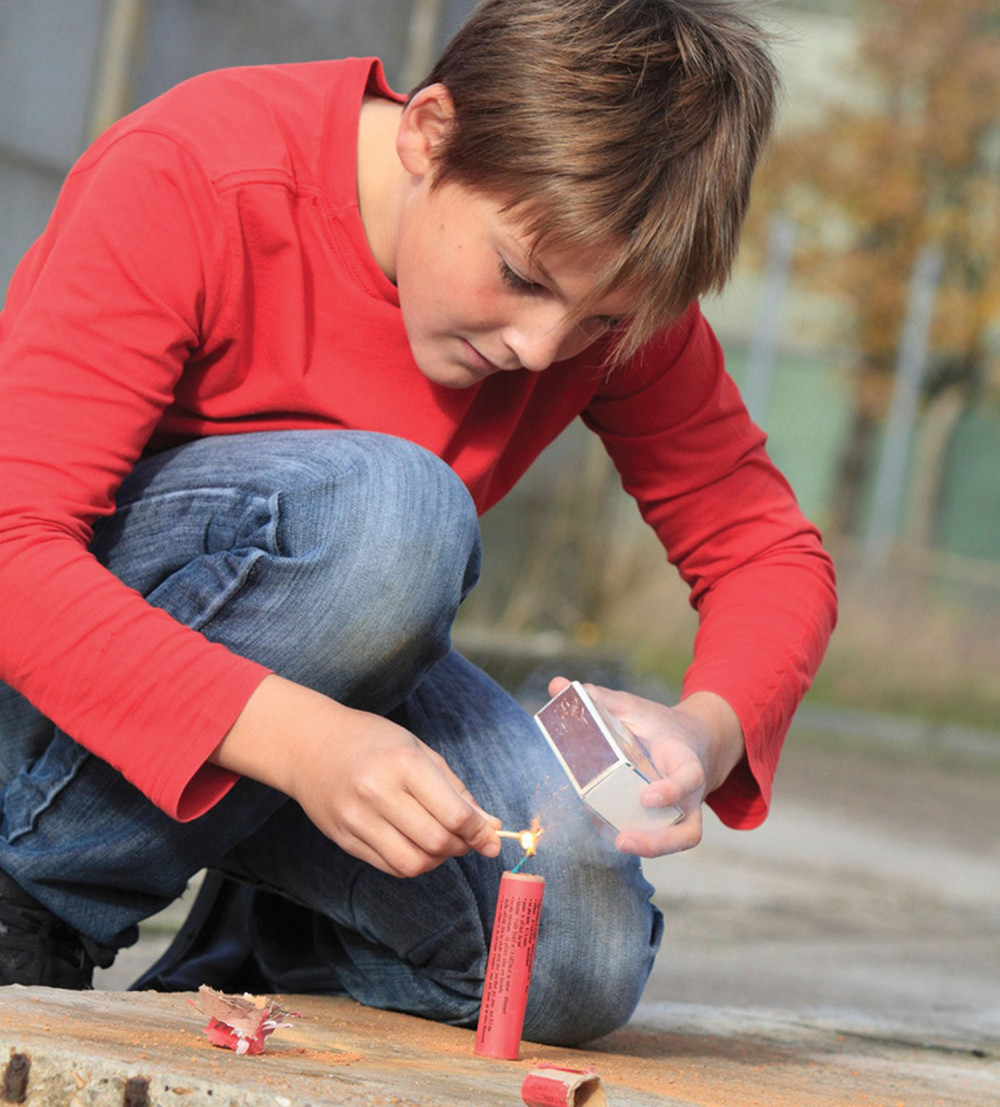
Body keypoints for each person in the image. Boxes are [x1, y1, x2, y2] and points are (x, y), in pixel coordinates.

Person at [0, 0, 836, 1045]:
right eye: (522, 277)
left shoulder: (597, 296)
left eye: (599, 321)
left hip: (300, 713)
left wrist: (704, 732)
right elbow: (11, 552)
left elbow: (766, 548)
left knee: (571, 959)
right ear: (427, 133)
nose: (543, 347)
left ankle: (279, 935)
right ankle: (32, 888)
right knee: (394, 517)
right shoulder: (192, 170)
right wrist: (300, 743)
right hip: (50, 680)